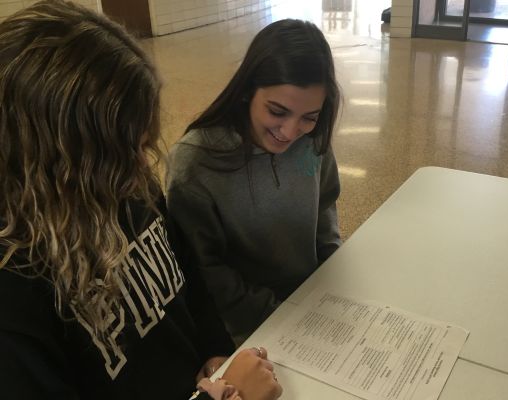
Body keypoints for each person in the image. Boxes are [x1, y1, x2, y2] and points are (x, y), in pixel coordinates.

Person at [0, 2, 282, 400]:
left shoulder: (123, 184)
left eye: (140, 144)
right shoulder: (16, 289)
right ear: (49, 161)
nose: (140, 166)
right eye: (117, 153)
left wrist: (216, 351)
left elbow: (186, 278)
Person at [166, 19, 342, 344]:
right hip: (246, 328)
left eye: (309, 117)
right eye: (277, 111)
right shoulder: (196, 161)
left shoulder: (313, 138)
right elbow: (205, 270)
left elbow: (326, 204)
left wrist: (332, 266)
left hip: (312, 305)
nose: (290, 132)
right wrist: (280, 315)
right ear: (248, 90)